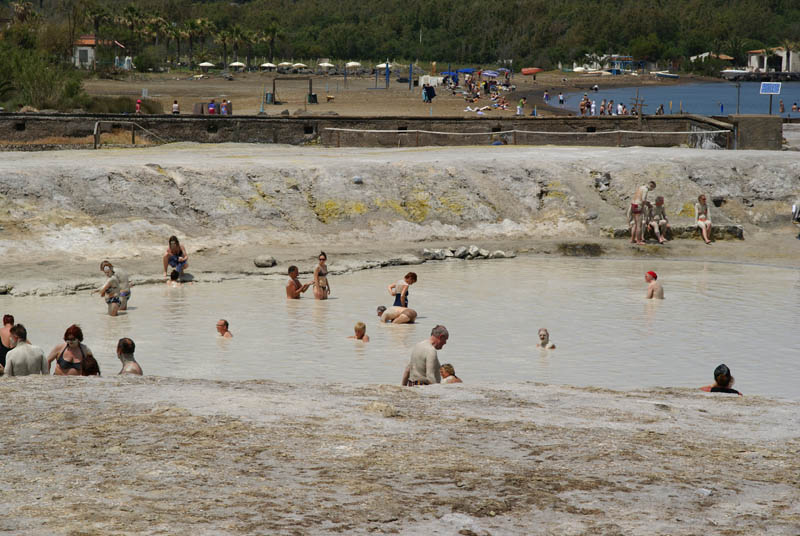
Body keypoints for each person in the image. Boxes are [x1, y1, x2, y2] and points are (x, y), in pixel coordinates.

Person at [630, 181, 656, 245]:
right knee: (639, 225)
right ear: (652, 186)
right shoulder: (646, 189)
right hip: (638, 206)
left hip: (633, 205)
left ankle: (632, 239)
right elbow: (643, 199)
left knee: (635, 224)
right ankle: (638, 241)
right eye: (653, 189)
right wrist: (647, 205)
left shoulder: (641, 187)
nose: (652, 190)